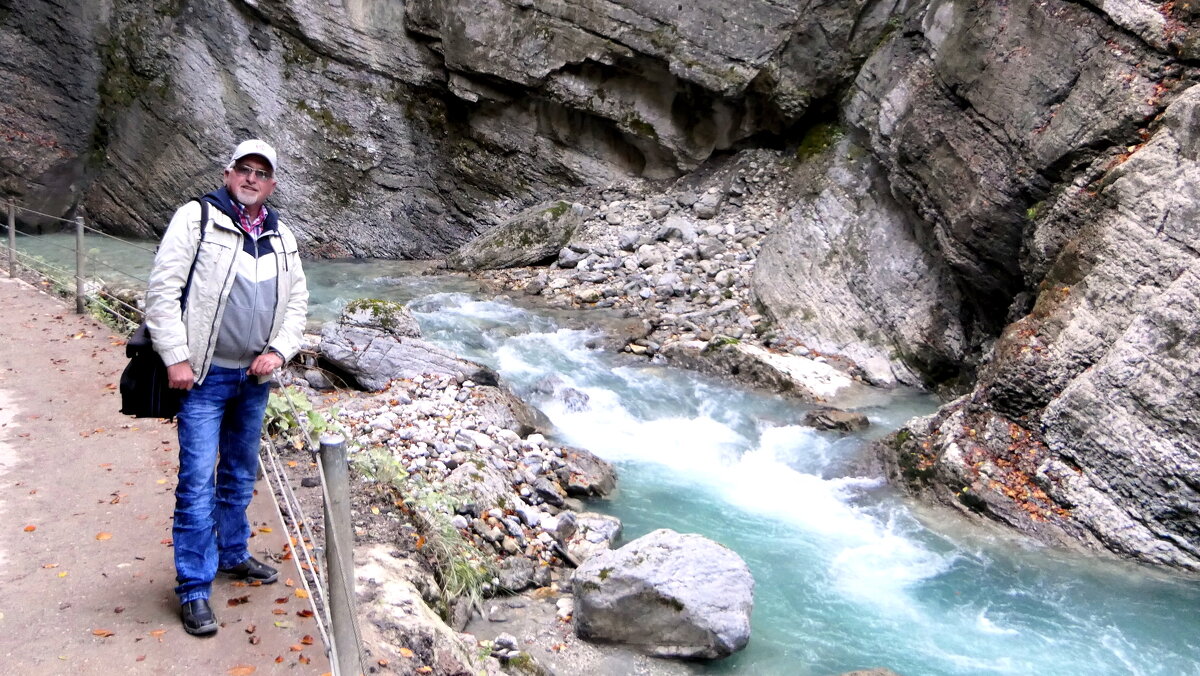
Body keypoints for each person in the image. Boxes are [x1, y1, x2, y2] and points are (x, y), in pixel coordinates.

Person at [144, 139, 308, 636]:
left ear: (272, 183)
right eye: (245, 169)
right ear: (228, 172)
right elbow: (162, 290)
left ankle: (233, 553)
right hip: (205, 376)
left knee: (238, 474)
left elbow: (298, 301)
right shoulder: (196, 218)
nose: (252, 178)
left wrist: (279, 351)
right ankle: (194, 588)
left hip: (254, 377)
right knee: (196, 483)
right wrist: (175, 355)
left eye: (262, 172)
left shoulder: (282, 235)